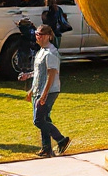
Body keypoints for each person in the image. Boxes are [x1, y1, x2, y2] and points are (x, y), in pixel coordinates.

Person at [18, 24, 70, 158]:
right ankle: (46, 149)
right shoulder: (41, 51)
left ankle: (61, 139)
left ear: (49, 36)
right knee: (44, 119)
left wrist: (44, 95)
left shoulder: (51, 52)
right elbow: (38, 72)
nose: (38, 37)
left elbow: (51, 74)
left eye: (40, 34)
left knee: (38, 120)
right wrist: (29, 84)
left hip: (49, 91)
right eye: (36, 34)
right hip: (38, 91)